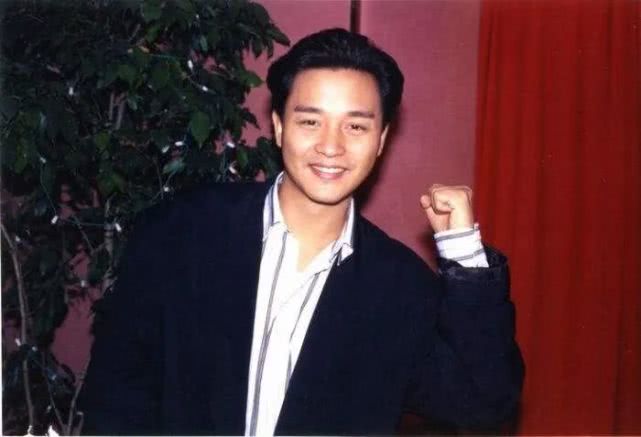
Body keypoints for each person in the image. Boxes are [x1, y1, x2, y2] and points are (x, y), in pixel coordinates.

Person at [79, 28, 523, 435]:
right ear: (278, 126)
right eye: (310, 121)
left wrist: (463, 251)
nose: (331, 146)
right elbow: (116, 395)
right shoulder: (183, 231)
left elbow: (483, 403)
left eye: (356, 126)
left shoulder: (399, 285)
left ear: (382, 140)